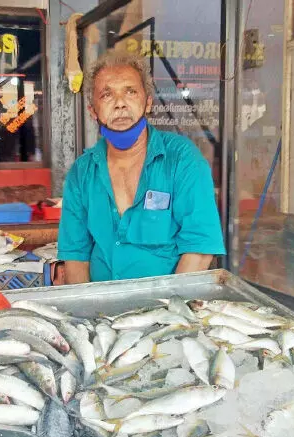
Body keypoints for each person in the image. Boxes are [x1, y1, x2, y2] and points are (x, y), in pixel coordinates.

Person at [58, 52, 225, 284]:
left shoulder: (181, 159)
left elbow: (199, 248)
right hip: (102, 310)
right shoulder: (82, 172)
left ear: (147, 103)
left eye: (131, 91)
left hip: (167, 307)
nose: (120, 103)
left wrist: (169, 309)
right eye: (107, 94)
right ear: (93, 111)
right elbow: (76, 256)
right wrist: (88, 311)